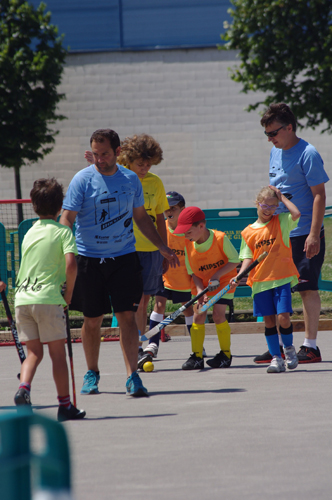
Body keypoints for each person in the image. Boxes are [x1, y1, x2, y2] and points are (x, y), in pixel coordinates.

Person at [61, 129, 178, 398]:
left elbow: (141, 217)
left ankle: (132, 376)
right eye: (96, 154)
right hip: (89, 259)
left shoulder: (130, 180)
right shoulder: (82, 179)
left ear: (117, 153)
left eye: (105, 154)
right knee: (92, 320)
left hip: (125, 258)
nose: (100, 159)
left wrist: (162, 247)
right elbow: (67, 218)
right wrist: (63, 247)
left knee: (127, 317)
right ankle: (92, 372)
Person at [256, 103, 329, 364]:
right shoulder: (275, 153)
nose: (270, 139)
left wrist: (313, 234)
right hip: (279, 234)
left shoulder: (307, 153)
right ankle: (278, 344)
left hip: (304, 232)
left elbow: (319, 195)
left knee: (307, 288)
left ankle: (310, 346)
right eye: (266, 134)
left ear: (289, 127)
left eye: (273, 133)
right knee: (277, 288)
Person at [85, 134, 169, 351]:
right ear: (129, 160)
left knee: (143, 305)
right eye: (140, 164)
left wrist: (164, 250)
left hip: (151, 250)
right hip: (126, 249)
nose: (145, 168)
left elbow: (160, 219)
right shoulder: (121, 177)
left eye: (149, 164)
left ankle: (140, 346)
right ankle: (137, 348)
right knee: (135, 304)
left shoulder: (156, 182)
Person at [13, 178, 86, 422]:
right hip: (48, 297)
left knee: (33, 352)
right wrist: (68, 295)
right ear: (60, 207)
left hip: (23, 297)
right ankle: (65, 406)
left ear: (33, 205)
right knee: (57, 355)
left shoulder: (30, 232)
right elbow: (71, 264)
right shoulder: (63, 231)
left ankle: (24, 388)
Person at [230, 186, 301, 373]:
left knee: (283, 318)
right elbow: (247, 258)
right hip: (260, 282)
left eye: (273, 206)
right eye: (264, 205)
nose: (268, 209)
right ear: (257, 204)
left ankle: (288, 349)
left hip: (281, 278)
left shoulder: (281, 221)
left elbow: (296, 214)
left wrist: (282, 198)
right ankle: (276, 358)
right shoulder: (248, 232)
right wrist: (239, 275)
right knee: (269, 321)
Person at [139, 191, 200, 367]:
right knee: (159, 305)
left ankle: (197, 347)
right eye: (166, 208)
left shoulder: (188, 230)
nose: (169, 211)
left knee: (188, 310)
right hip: (163, 275)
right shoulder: (160, 227)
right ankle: (152, 344)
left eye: (173, 207)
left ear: (183, 209)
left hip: (183, 277)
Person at [174, 206, 240, 370]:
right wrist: (199, 292)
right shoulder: (188, 245)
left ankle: (225, 355)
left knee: (218, 315)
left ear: (201, 227)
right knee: (198, 315)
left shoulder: (220, 238)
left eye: (188, 231)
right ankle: (197, 356)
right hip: (203, 284)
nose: (185, 235)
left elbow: (234, 260)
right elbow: (193, 273)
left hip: (224, 281)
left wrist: (217, 276)